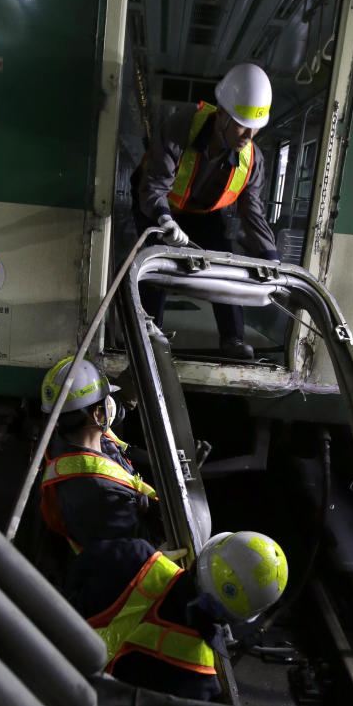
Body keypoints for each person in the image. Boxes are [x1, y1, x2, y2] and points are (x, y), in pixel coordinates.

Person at [133, 62, 279, 363]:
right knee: (158, 264)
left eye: (255, 128)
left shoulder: (252, 160)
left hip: (201, 211)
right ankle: (149, 334)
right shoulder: (179, 128)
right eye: (241, 123)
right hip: (159, 204)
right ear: (221, 115)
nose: (248, 134)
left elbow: (253, 213)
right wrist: (164, 221)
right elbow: (153, 189)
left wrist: (271, 261)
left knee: (224, 261)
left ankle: (233, 339)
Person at [64, 530, 288, 702]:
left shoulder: (133, 555)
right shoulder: (201, 681)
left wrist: (151, 561)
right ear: (233, 620)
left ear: (195, 561)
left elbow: (71, 577)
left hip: (42, 643)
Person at [39, 355, 159, 552]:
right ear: (96, 414)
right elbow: (141, 551)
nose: (111, 404)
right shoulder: (98, 491)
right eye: (106, 400)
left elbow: (116, 408)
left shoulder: (71, 436)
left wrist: (141, 363)